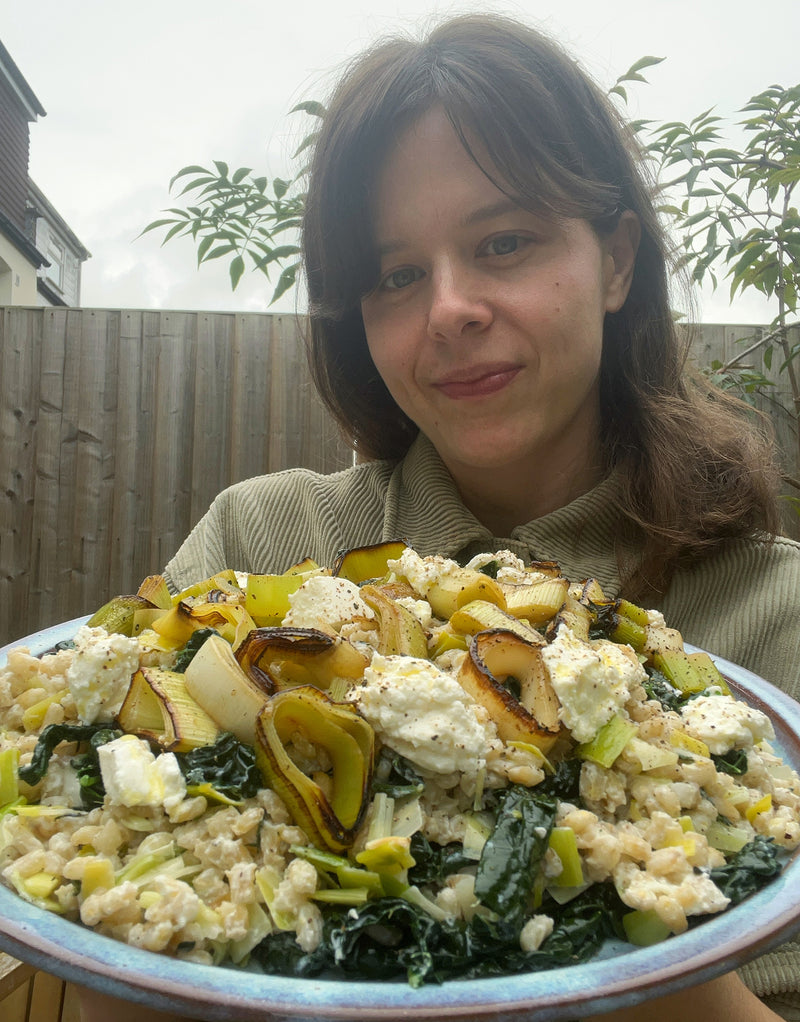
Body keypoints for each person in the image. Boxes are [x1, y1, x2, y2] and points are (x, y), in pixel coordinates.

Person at [82, 13, 800, 1022]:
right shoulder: (255, 542)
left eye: (503, 242)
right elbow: (113, 957)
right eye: (396, 274)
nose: (447, 309)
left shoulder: (778, 612)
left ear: (616, 261)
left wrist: (627, 912)